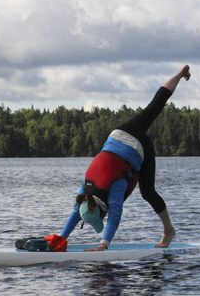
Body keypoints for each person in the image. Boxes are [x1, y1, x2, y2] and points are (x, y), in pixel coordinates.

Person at [60, 65, 191, 252]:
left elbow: (115, 216)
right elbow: (76, 213)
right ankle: (179, 74)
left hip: (138, 145)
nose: (104, 218)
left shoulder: (114, 188)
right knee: (155, 106)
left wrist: (102, 246)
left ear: (101, 211)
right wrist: (60, 240)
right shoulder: (85, 191)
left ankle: (169, 230)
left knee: (148, 192)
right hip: (119, 133)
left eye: (101, 218)